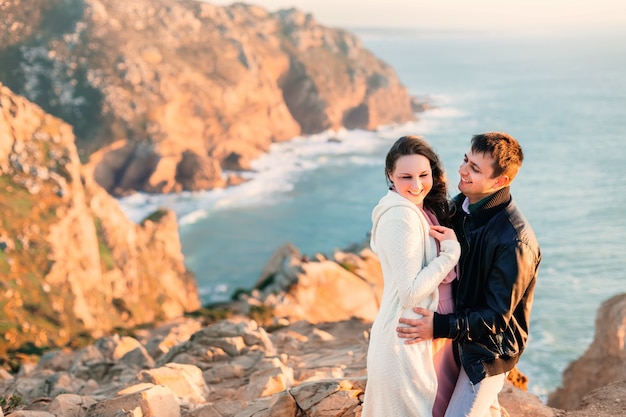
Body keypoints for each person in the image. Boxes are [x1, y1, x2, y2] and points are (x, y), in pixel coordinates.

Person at [397, 132, 542, 417]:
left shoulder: (515, 241)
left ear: (500, 182)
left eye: (475, 168)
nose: (462, 170)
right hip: (457, 338)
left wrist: (438, 326)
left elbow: (496, 317)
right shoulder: (462, 207)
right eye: (466, 160)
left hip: (487, 352)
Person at [362, 135, 461, 417]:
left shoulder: (420, 209)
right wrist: (450, 254)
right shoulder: (401, 217)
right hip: (404, 344)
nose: (416, 186)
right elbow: (410, 292)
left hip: (419, 339)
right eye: (406, 177)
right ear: (390, 176)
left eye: (423, 175)